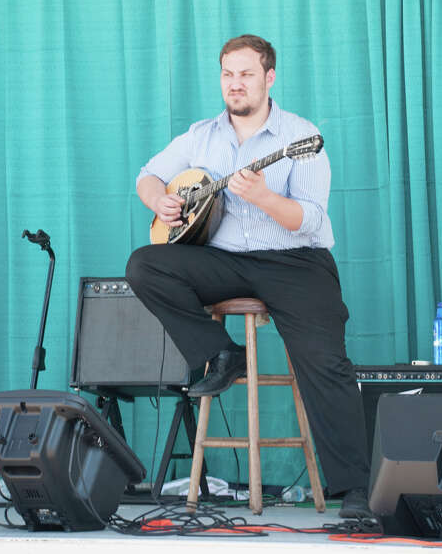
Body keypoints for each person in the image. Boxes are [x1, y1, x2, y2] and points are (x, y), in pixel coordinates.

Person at [125, 34, 372, 518]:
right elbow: (147, 175)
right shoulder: (202, 134)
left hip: (296, 261)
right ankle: (221, 353)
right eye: (227, 74)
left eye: (246, 74)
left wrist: (262, 197)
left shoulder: (299, 136)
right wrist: (159, 200)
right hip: (226, 261)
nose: (235, 84)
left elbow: (313, 221)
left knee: (326, 364)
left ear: (269, 78)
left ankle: (356, 491)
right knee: (145, 265)